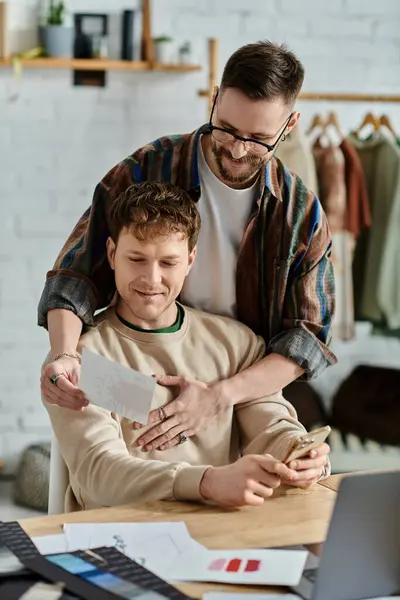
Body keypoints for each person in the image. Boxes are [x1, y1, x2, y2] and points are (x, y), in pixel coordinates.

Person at [40, 40, 337, 452]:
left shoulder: (300, 215)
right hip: (143, 362)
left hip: (242, 381)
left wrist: (220, 396)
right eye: (228, 129)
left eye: (258, 139)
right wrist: (64, 354)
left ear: (289, 125)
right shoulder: (147, 168)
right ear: (214, 99)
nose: (236, 149)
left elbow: (307, 338)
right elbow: (76, 275)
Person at [42, 182, 330, 512]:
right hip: (116, 541)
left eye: (168, 263)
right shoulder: (82, 360)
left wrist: (300, 454)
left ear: (190, 260)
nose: (151, 279)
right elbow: (99, 476)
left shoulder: (236, 345)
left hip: (216, 535)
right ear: (111, 254)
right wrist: (205, 482)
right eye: (136, 258)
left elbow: (271, 428)